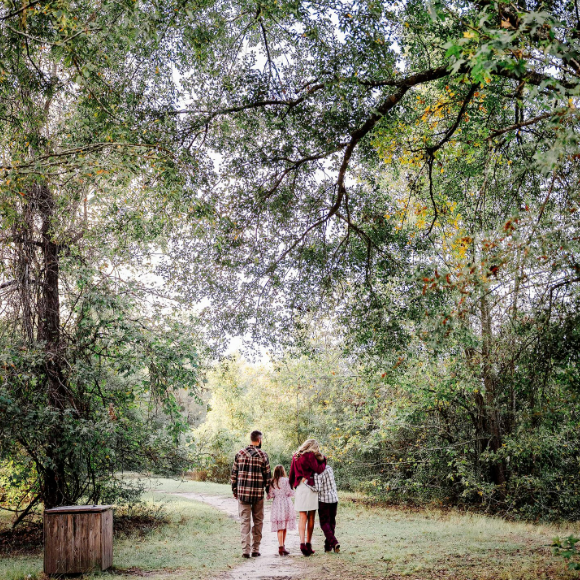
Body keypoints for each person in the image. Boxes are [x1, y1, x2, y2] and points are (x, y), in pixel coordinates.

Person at [231, 430, 272, 558]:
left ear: (251, 439)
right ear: (259, 440)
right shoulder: (263, 455)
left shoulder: (239, 454)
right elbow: (268, 477)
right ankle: (256, 549)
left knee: (245, 522)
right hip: (258, 495)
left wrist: (235, 491)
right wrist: (268, 491)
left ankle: (245, 550)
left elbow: (233, 475)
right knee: (258, 521)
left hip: (243, 494)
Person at [288, 438, 326, 556]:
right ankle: (309, 544)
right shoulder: (310, 456)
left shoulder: (296, 456)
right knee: (311, 517)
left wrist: (292, 485)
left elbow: (291, 473)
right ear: (313, 447)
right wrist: (324, 459)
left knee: (302, 516)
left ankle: (302, 543)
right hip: (310, 487)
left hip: (300, 487)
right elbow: (319, 469)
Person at [306, 464, 340, 553]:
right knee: (332, 523)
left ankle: (334, 542)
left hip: (324, 501)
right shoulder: (329, 468)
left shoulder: (317, 473)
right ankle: (328, 547)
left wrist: (306, 483)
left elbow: (317, 489)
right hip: (334, 498)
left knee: (324, 523)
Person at [267, 465, 296, 556]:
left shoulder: (272, 481)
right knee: (284, 526)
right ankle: (282, 546)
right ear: (283, 471)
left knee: (280, 526)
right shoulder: (286, 480)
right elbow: (290, 492)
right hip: (286, 504)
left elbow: (270, 495)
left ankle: (281, 547)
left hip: (277, 504)